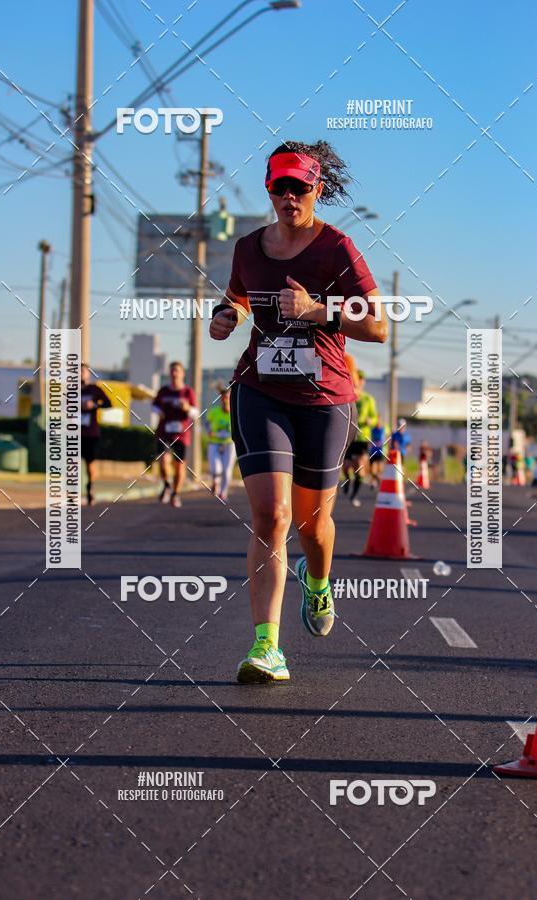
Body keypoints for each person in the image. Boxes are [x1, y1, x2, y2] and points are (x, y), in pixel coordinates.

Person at [209, 139, 388, 683]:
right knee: (272, 516)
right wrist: (227, 314)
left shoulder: (337, 248)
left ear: (317, 189)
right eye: (279, 186)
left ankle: (318, 579)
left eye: (300, 187)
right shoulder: (248, 247)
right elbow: (240, 294)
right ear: (269, 188)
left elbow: (378, 326)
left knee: (313, 526)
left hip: (325, 398)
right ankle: (267, 647)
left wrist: (318, 311)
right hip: (260, 390)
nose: (289, 196)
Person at [152, 361, 198, 508]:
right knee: (163, 462)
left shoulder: (188, 392)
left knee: (179, 466)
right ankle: (166, 485)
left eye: (177, 370)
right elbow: (154, 406)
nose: (174, 373)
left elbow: (196, 413)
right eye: (172, 371)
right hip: (164, 432)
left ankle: (175, 494)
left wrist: (187, 408)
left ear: (182, 374)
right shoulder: (164, 391)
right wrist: (160, 412)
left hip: (181, 434)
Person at [342, 370, 378, 506]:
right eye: (357, 378)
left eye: (361, 379)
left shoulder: (368, 399)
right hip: (349, 436)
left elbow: (375, 417)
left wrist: (371, 420)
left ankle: (354, 495)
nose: (359, 381)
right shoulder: (347, 397)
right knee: (346, 467)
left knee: (360, 468)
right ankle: (347, 479)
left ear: (363, 382)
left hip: (362, 438)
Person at [80, 364, 112, 506]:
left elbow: (108, 403)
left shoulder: (95, 389)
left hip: (90, 432)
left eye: (82, 371)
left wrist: (94, 405)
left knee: (89, 463)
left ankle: (90, 486)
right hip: (73, 432)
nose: (79, 374)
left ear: (88, 374)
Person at [206, 388, 236, 501]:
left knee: (227, 470)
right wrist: (209, 430)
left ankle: (223, 493)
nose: (225, 400)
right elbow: (207, 423)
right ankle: (216, 483)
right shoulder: (214, 412)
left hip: (229, 445)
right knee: (215, 468)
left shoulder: (234, 413)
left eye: (227, 398)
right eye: (223, 398)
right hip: (214, 443)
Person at [369, 419, 387, 488]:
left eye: (379, 421)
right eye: (377, 421)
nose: (378, 423)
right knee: (372, 470)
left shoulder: (384, 430)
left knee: (380, 470)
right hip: (373, 452)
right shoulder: (372, 430)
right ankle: (376, 481)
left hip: (380, 452)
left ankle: (379, 483)